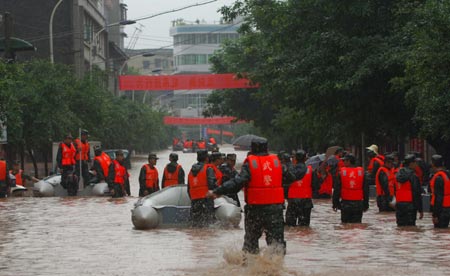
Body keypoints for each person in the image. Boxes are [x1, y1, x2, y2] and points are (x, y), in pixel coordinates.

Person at [207, 138, 286, 255]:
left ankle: (250, 268)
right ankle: (276, 268)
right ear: (267, 149)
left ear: (252, 150)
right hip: (275, 209)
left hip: (256, 209)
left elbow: (237, 182)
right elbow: (291, 176)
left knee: (251, 242)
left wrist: (217, 191)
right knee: (277, 244)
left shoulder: (251, 163)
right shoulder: (276, 162)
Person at [333, 154, 369, 223]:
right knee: (357, 226)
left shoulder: (342, 173)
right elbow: (366, 190)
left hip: (346, 204)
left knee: (345, 226)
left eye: (345, 161)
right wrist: (366, 204)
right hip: (358, 205)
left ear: (349, 161)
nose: (343, 162)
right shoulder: (362, 173)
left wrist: (335, 204)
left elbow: (337, 190)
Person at [187, 149, 217, 227]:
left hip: (194, 200)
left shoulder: (191, 170)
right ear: (207, 158)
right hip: (206, 199)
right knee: (208, 224)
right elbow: (212, 184)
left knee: (195, 224)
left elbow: (188, 188)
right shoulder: (208, 169)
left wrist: (193, 198)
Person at [286, 150, 314, 226]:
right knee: (304, 227)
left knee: (290, 226)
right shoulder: (310, 170)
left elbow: (284, 184)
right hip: (306, 200)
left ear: (295, 158)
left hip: (293, 200)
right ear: (305, 159)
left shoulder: (289, 170)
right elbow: (315, 185)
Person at [395, 154, 423, 226]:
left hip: (399, 205)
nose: (416, 164)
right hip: (410, 206)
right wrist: (420, 210)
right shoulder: (413, 176)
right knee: (411, 229)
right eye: (415, 162)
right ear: (411, 164)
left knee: (400, 227)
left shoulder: (397, 174)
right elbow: (417, 194)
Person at [429, 154, 450, 228]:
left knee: (439, 231)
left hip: (441, 209)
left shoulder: (438, 178)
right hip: (447, 208)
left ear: (433, 164)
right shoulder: (447, 174)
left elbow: (438, 198)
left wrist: (435, 215)